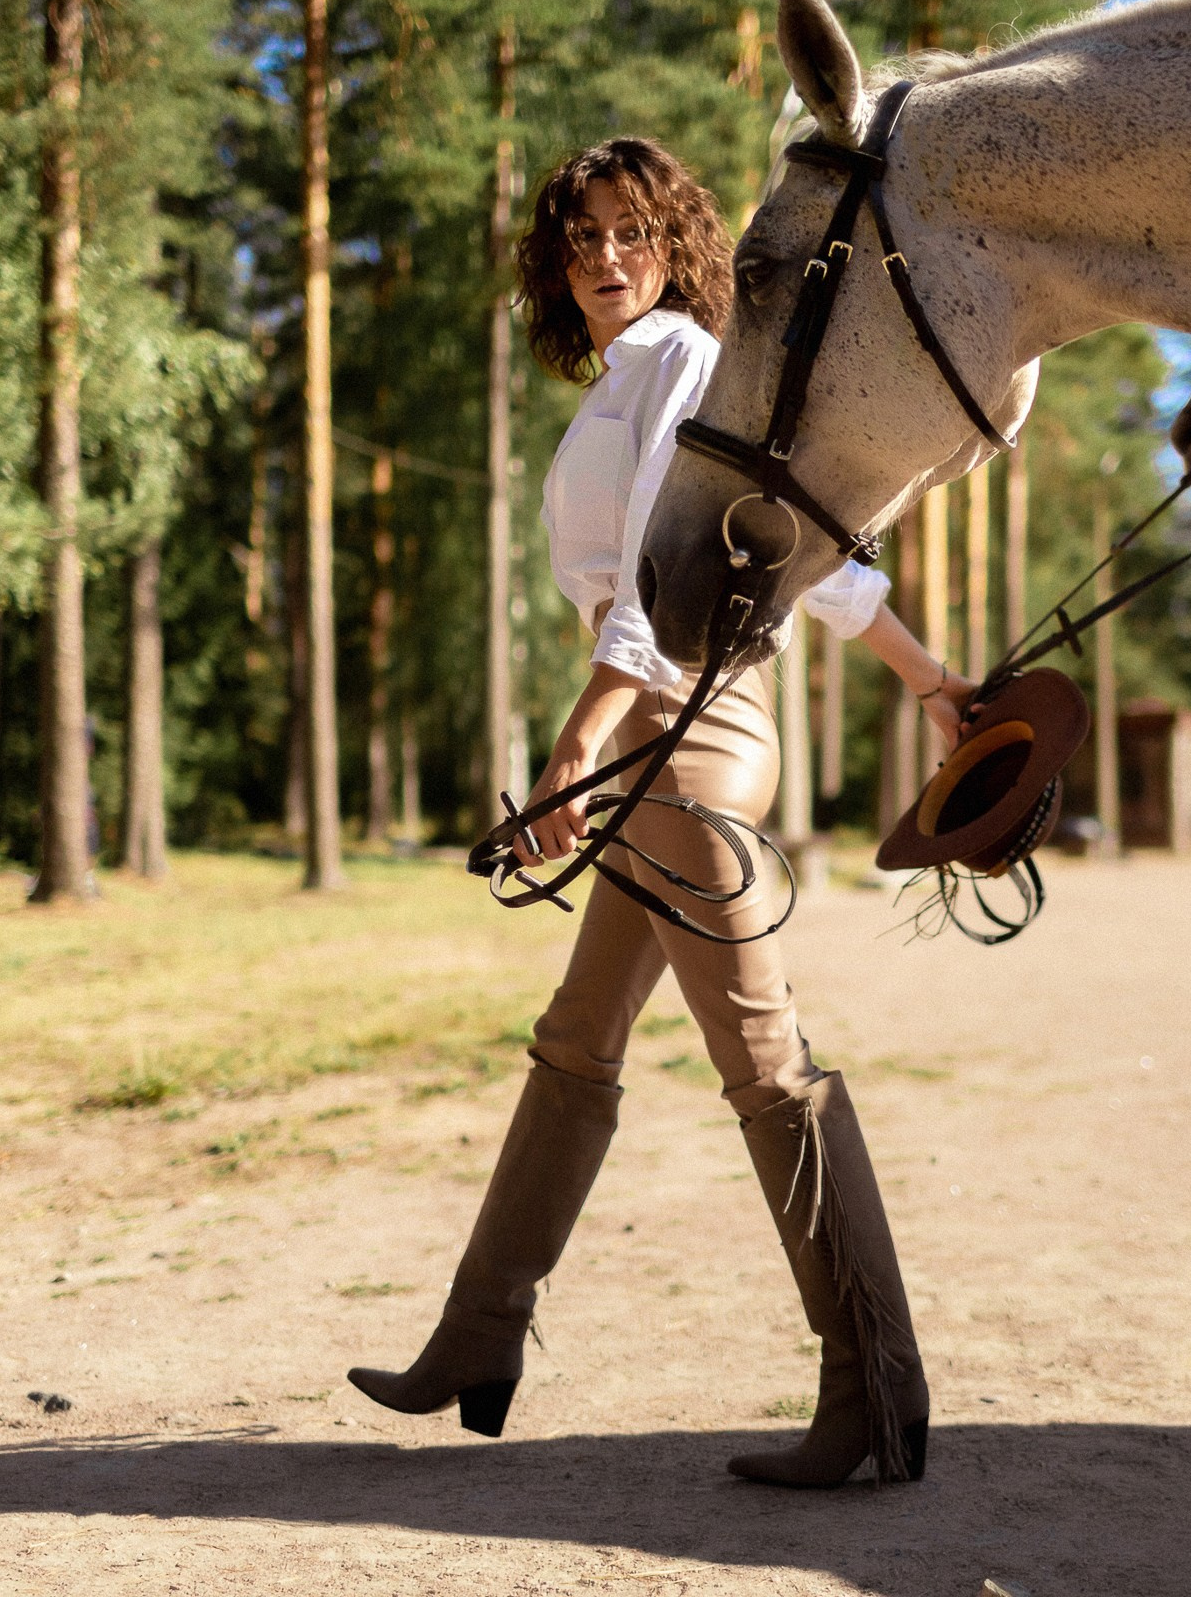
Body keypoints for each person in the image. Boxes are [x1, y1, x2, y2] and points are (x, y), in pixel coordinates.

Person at [347, 138, 975, 1487]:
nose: (607, 260)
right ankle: (479, 1336)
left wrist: (577, 742)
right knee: (580, 1037)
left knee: (761, 1055)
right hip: (651, 737)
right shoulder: (633, 380)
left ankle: (878, 1387)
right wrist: (929, 681)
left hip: (683, 731)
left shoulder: (688, 359)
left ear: (675, 243)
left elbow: (654, 576)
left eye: (632, 233)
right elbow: (828, 574)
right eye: (581, 243)